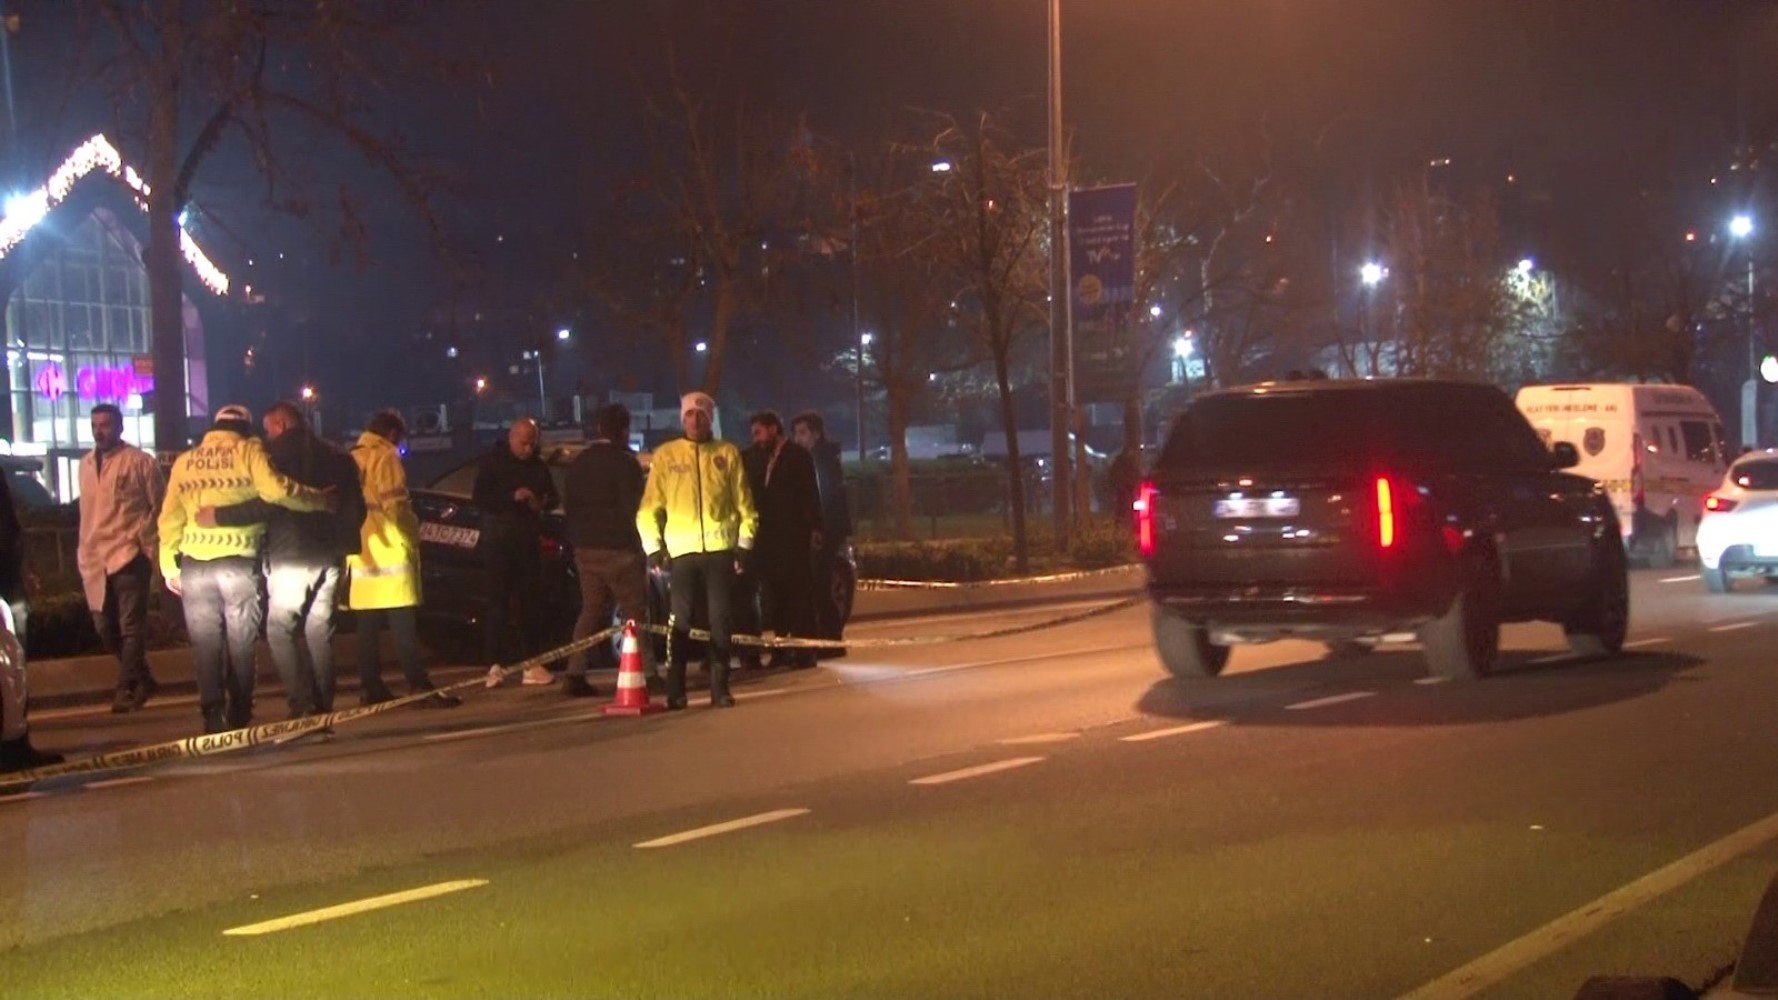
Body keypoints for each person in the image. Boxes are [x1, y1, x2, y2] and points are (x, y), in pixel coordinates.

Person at [158, 405, 332, 733]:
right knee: (241, 641)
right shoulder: (249, 452)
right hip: (238, 561)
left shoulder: (186, 461)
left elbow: (169, 517)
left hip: (195, 565)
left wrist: (169, 564)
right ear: (246, 429)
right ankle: (239, 712)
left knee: (206, 644)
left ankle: (212, 715)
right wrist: (319, 500)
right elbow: (278, 492)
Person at [198, 402, 365, 717]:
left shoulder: (274, 458)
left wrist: (219, 515)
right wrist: (339, 539)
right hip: (331, 556)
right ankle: (323, 708)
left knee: (280, 629)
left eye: (269, 427)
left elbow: (268, 503)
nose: (266, 434)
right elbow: (358, 508)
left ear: (282, 424)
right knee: (321, 631)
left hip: (291, 554)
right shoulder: (339, 456)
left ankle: (301, 705)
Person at [636, 391, 758, 709]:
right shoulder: (667, 455)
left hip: (719, 551)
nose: (694, 421)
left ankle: (720, 688)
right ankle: (676, 690)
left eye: (700, 415)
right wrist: (654, 549)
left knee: (720, 620)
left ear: (709, 419)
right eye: (689, 415)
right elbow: (649, 509)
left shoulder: (727, 453)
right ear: (682, 419)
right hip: (682, 554)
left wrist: (743, 546)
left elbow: (745, 506)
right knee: (680, 622)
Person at [347, 410, 460, 708]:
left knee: (367, 629)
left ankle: (371, 687)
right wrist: (412, 537)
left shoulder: (353, 457)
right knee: (404, 627)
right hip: (390, 553)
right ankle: (418, 686)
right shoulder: (386, 458)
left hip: (361, 555)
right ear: (393, 435)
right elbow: (396, 508)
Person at [76, 403, 166, 714]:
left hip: (129, 554)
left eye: (105, 425)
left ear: (120, 427)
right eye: (95, 425)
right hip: (94, 557)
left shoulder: (140, 462)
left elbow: (160, 505)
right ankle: (144, 678)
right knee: (105, 627)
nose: (99, 431)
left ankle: (126, 687)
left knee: (131, 627)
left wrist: (143, 539)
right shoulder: (85, 464)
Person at [560, 403, 649, 698]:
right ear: (624, 430)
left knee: (591, 611)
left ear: (599, 429)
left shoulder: (579, 463)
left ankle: (575, 672)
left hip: (586, 548)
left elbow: (568, 504)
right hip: (619, 549)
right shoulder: (625, 463)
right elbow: (633, 508)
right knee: (635, 613)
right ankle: (645, 671)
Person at [472, 418, 558, 685]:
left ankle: (531, 663)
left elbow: (553, 498)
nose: (528, 448)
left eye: (532, 443)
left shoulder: (538, 467)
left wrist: (539, 502)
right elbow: (480, 498)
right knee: (497, 603)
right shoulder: (493, 462)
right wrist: (511, 497)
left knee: (531, 604)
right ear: (511, 438)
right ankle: (494, 665)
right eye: (523, 443)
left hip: (527, 541)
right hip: (499, 542)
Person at [744, 410, 823, 669]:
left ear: (773, 429)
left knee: (799, 594)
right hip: (768, 537)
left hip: (794, 535)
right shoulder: (757, 458)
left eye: (759, 432)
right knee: (775, 595)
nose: (756, 439)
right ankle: (780, 648)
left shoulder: (798, 457)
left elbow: (811, 493)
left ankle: (804, 651)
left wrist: (815, 527)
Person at [791, 411, 852, 656]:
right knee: (818, 585)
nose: (798, 438)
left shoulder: (820, 460)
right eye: (796, 433)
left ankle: (832, 640)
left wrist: (818, 527)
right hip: (825, 529)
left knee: (820, 585)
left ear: (816, 433)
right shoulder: (817, 458)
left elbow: (825, 498)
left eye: (803, 432)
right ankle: (826, 639)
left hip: (827, 530)